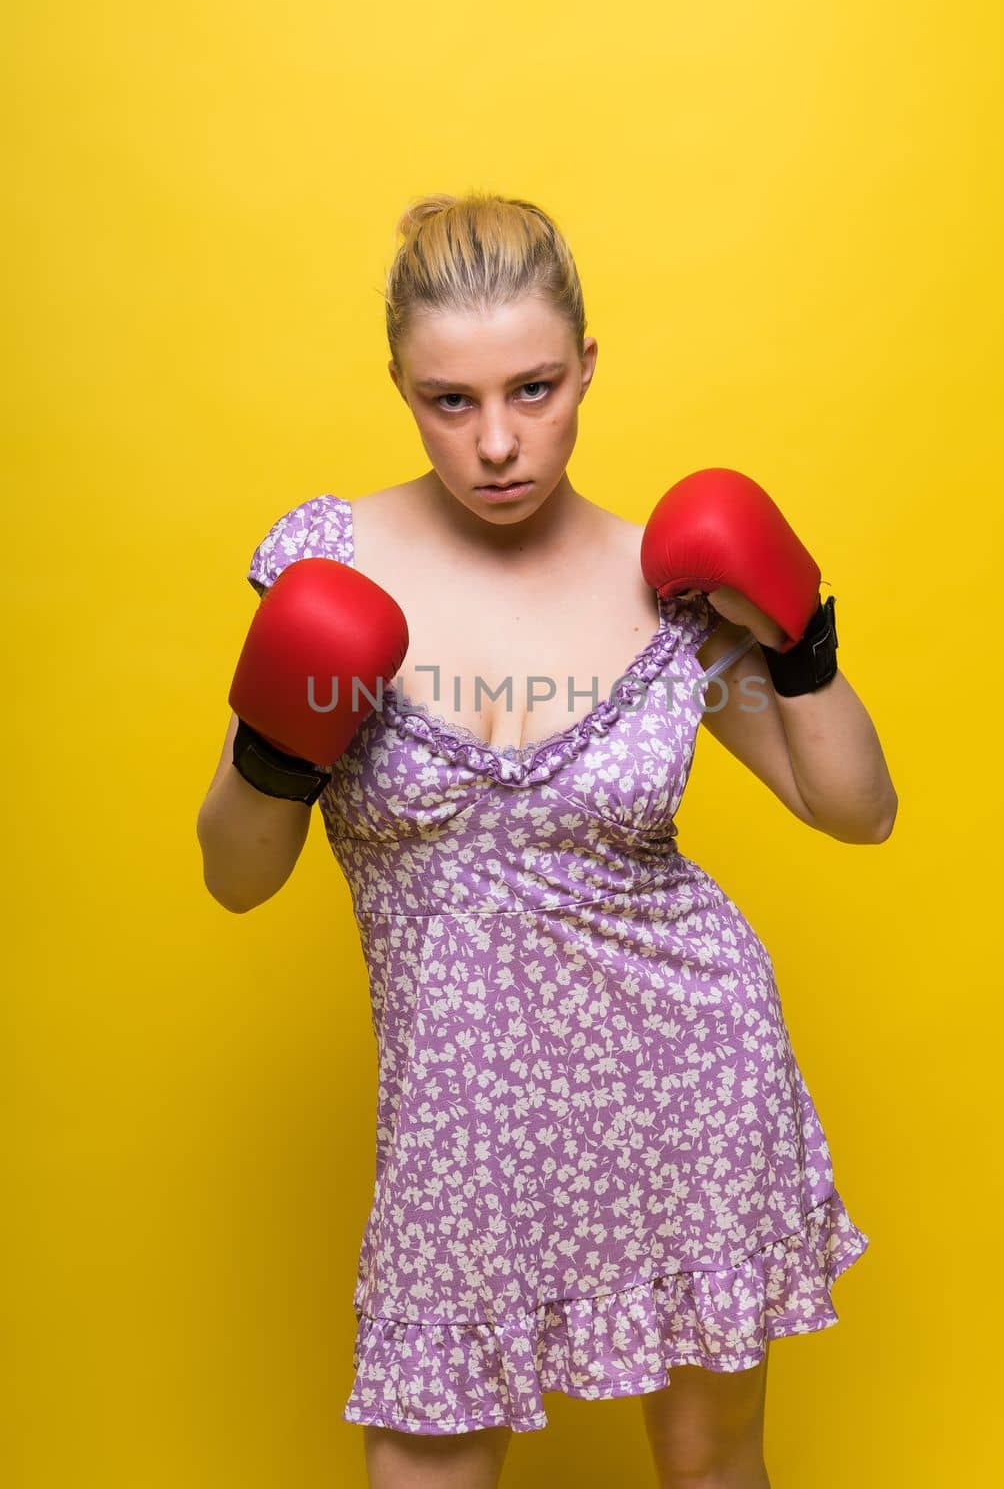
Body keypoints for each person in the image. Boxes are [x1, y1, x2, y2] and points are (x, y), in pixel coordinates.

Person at [196, 191, 897, 1489]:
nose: (500, 443)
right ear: (400, 387)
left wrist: (800, 636)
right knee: (429, 1458)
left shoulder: (669, 580)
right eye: (449, 401)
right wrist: (274, 745)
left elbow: (857, 810)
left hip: (691, 1075)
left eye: (534, 389)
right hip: (462, 1116)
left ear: (587, 367)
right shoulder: (327, 562)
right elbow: (238, 877)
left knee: (709, 1459)